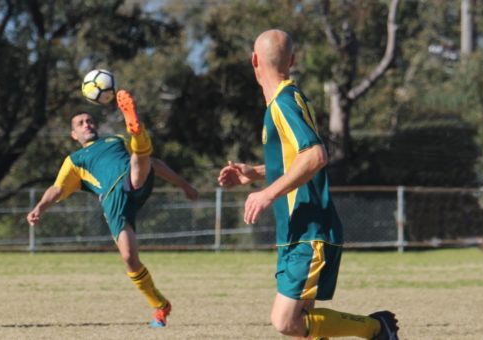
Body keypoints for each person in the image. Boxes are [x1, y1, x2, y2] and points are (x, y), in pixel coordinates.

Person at [217, 29, 399, 339]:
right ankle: (377, 329)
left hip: (309, 231)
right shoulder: (291, 98)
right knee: (304, 322)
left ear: (254, 60)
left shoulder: (282, 104)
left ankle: (376, 328)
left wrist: (267, 194)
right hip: (296, 230)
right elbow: (296, 161)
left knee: (286, 321)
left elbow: (315, 155)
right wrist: (256, 172)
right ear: (293, 59)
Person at [27, 91, 197, 328]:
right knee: (129, 257)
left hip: (133, 177)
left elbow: (153, 163)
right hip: (113, 199)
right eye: (80, 123)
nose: (87, 124)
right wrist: (39, 208)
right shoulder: (75, 160)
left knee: (139, 159)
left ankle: (136, 129)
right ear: (73, 134)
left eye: (90, 120)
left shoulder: (116, 139)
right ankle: (160, 306)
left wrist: (184, 185)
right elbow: (57, 189)